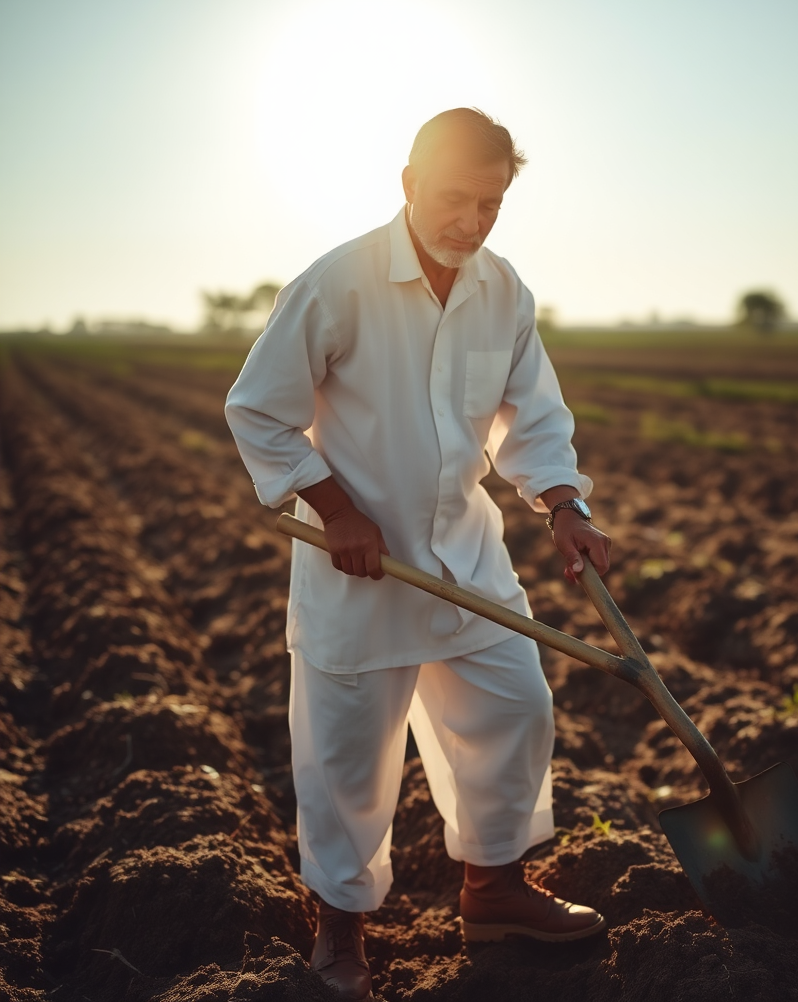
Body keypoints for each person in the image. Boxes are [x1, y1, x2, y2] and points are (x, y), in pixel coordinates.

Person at [225, 108, 612, 1000]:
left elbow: (534, 415)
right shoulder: (339, 284)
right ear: (406, 183)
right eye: (454, 199)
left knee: (516, 712)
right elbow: (260, 409)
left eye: (492, 203)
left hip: (467, 561)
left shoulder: (503, 291)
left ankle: (496, 891)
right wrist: (334, 506)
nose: (471, 222)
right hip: (360, 573)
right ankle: (341, 935)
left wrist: (564, 502)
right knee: (348, 764)